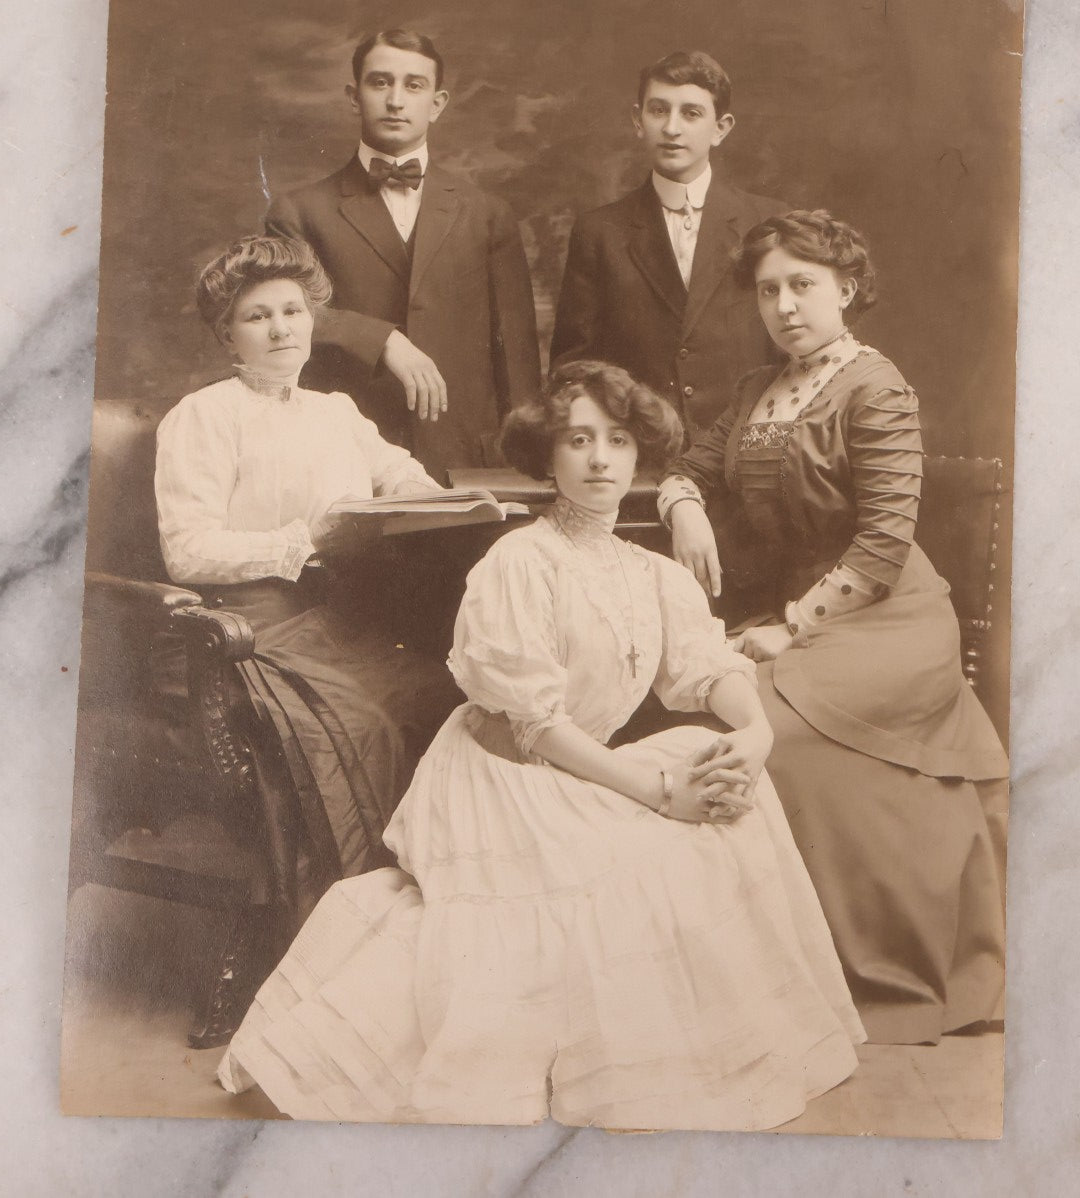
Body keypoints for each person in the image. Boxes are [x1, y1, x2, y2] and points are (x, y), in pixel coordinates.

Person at [217, 360, 865, 1131]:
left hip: (581, 760)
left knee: (728, 790)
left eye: (618, 440)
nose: (600, 459)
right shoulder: (518, 562)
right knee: (621, 872)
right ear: (548, 457)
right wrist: (658, 794)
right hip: (505, 771)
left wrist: (753, 734)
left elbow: (704, 669)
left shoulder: (651, 572)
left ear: (639, 453)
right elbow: (532, 725)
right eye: (579, 440)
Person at [659, 210, 1009, 1045]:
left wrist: (791, 625)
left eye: (803, 285)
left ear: (845, 289)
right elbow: (686, 467)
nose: (783, 305)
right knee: (717, 722)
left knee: (773, 734)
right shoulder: (753, 388)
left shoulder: (875, 386)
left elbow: (885, 544)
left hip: (885, 618)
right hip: (791, 618)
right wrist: (683, 509)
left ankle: (854, 966)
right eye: (769, 289)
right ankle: (754, 967)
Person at [155, 235, 463, 938]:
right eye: (258, 315)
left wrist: (438, 500)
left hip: (330, 627)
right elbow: (187, 550)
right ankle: (341, 932)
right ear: (226, 333)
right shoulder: (204, 417)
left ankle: (434, 916)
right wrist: (305, 538)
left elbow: (400, 476)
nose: (281, 328)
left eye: (292, 310)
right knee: (364, 727)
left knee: (443, 696)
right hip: (242, 636)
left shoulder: (335, 413)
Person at [266, 27, 541, 479]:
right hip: (346, 451)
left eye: (414, 85)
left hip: (466, 455)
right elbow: (289, 315)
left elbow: (517, 359)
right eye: (380, 83)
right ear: (355, 96)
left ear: (437, 103)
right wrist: (385, 339)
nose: (396, 100)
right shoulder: (299, 211)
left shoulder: (487, 213)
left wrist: (525, 458)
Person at [551, 50, 787, 440]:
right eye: (659, 111)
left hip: (745, 450)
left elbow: (793, 346)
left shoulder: (767, 224)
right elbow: (575, 364)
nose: (672, 128)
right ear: (637, 120)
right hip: (642, 450)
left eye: (691, 114)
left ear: (721, 128)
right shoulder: (600, 231)